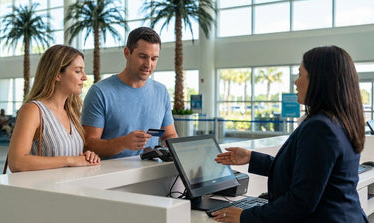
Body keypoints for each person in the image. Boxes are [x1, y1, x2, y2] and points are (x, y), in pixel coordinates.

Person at [212, 46, 369, 223]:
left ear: (319, 80)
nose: (296, 82)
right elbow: (308, 172)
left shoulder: (320, 127)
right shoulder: (340, 119)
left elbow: (301, 202)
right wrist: (251, 157)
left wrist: (244, 216)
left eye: (300, 74)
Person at [82, 27, 177, 159]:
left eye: (154, 59)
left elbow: (169, 135)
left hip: (155, 173)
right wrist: (123, 142)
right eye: (143, 57)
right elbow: (88, 144)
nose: (148, 64)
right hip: (113, 176)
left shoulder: (161, 92)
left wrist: (170, 148)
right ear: (127, 53)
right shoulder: (100, 92)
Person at [8, 45, 100, 172]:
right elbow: (17, 163)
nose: (84, 77)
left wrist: (87, 157)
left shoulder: (71, 112)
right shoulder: (33, 110)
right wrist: (70, 160)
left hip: (70, 190)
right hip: (43, 190)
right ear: (57, 75)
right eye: (78, 71)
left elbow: (73, 155)